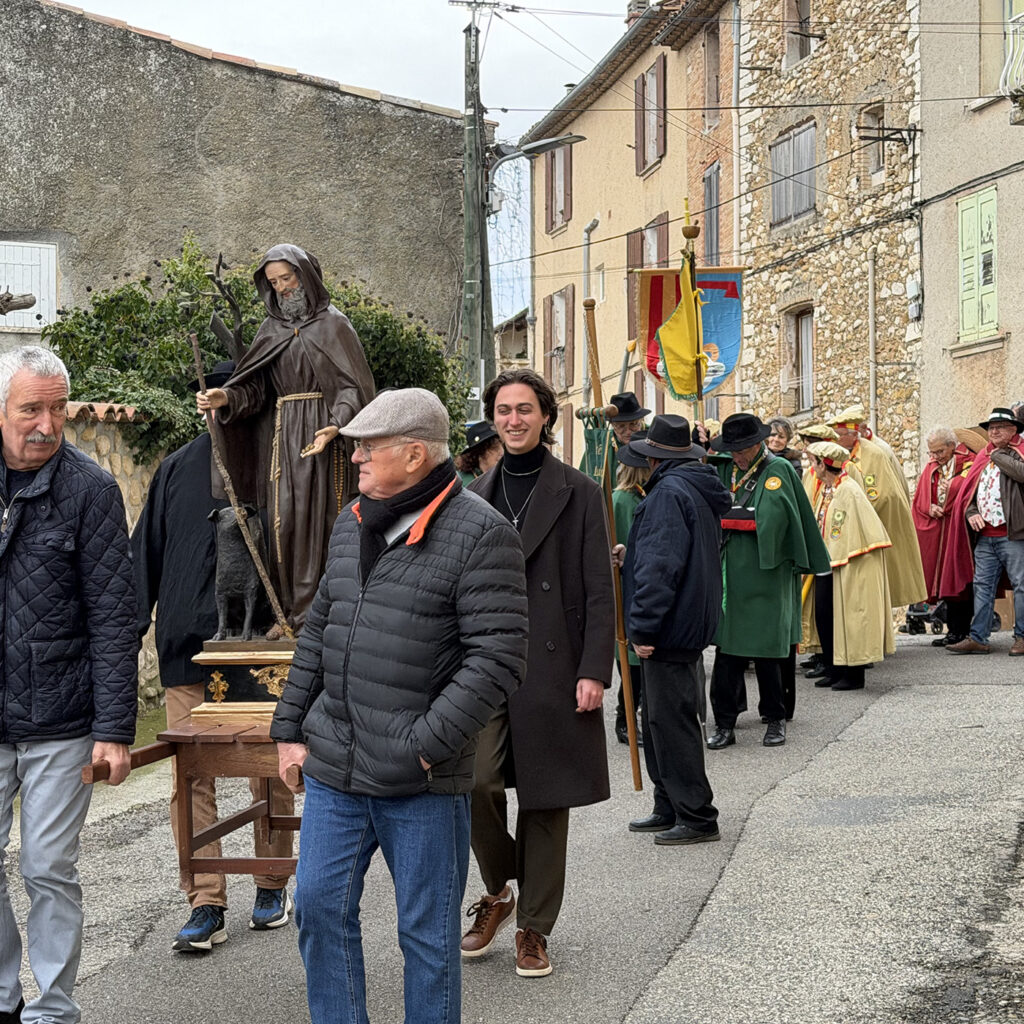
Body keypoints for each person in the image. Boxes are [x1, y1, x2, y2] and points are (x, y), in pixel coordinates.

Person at [269, 388, 527, 1024]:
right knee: (319, 910)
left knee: (428, 938)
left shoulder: (481, 533)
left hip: (421, 780)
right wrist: (290, 729)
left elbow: (497, 659)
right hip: (336, 766)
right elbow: (321, 628)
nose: (355, 456)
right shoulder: (351, 520)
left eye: (368, 446)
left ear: (414, 455)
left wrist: (424, 746)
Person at [133, 361, 296, 954]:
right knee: (190, 775)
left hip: (262, 647)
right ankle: (205, 899)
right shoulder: (176, 469)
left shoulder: (278, 469)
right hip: (187, 647)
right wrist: (129, 634)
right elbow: (145, 556)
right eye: (212, 400)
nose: (222, 411)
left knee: (269, 765)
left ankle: (271, 882)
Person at [0, 346, 137, 1024]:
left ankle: (53, 1010)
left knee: (47, 867)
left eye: (58, 409)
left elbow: (115, 617)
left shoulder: (91, 490)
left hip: (61, 716)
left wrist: (114, 729)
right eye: (32, 409)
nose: (47, 425)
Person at [462, 367, 614, 978]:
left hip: (554, 664)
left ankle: (534, 928)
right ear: (493, 419)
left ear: (546, 416)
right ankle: (500, 890)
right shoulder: (473, 496)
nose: (514, 420)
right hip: (484, 664)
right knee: (473, 780)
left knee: (547, 799)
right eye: (504, 410)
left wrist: (593, 669)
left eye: (525, 409)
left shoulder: (579, 491)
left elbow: (600, 589)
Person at [196, 243, 376, 636]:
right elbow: (256, 389)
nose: (282, 288)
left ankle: (319, 614)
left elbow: (352, 387)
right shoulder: (270, 330)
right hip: (283, 438)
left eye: (287, 278)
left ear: (305, 276)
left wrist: (337, 425)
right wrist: (225, 396)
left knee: (321, 523)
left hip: (324, 438)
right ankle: (288, 612)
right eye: (274, 282)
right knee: (284, 524)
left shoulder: (335, 326)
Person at [620, 415, 730, 844]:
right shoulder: (691, 488)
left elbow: (661, 567)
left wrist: (644, 628)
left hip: (669, 627)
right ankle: (669, 804)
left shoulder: (668, 493)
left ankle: (696, 815)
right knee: (659, 723)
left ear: (655, 459)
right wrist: (630, 555)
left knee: (671, 724)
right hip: (683, 622)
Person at [706, 413, 831, 749]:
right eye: (731, 450)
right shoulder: (725, 468)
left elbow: (775, 517)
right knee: (727, 654)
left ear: (756, 444)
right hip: (730, 574)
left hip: (767, 573)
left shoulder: (777, 469)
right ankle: (724, 723)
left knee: (768, 654)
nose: (736, 456)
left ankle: (775, 719)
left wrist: (731, 518)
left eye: (741, 450)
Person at [806, 442, 894, 689]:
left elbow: (853, 531)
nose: (811, 467)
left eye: (813, 462)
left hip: (848, 564)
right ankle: (834, 668)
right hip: (829, 562)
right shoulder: (829, 489)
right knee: (826, 617)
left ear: (823, 465)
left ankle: (853, 674)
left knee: (850, 618)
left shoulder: (848, 490)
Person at [941, 408, 1024, 656]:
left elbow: (1021, 473)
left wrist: (998, 454)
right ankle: (978, 638)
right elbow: (970, 494)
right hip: (986, 536)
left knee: (1021, 586)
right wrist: (971, 512)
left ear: (1013, 430)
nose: (993, 432)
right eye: (991, 428)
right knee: (982, 586)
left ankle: (1022, 637)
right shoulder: (983, 457)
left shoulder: (1016, 453)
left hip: (1014, 535)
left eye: (999, 427)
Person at [828, 406, 926, 609]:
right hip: (854, 524)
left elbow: (879, 493)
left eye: (839, 435)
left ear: (853, 434)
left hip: (875, 525)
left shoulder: (872, 453)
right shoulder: (844, 453)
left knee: (879, 581)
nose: (834, 439)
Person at [910, 427, 975, 648]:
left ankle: (962, 631)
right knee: (945, 582)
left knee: (959, 582)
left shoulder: (967, 462)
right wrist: (929, 507)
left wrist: (953, 487)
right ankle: (953, 631)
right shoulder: (932, 466)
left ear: (952, 446)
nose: (935, 456)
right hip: (940, 533)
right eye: (932, 452)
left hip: (960, 531)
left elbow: (970, 486)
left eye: (940, 451)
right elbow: (920, 498)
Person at [611, 435, 651, 746]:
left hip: (640, 583)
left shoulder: (641, 496)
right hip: (628, 587)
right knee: (630, 663)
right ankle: (624, 719)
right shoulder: (623, 500)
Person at [455, 419, 503, 486]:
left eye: (503, 446)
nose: (501, 452)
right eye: (495, 448)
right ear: (479, 453)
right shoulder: (463, 483)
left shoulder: (505, 477)